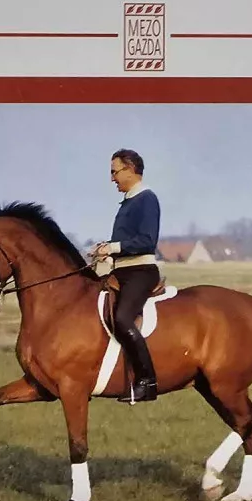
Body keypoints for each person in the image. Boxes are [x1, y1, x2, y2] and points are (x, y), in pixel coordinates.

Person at [90, 149, 160, 403]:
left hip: (141, 272)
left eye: (114, 172)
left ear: (130, 169)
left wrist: (113, 248)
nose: (112, 179)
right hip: (122, 271)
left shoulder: (146, 199)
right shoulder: (128, 201)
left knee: (122, 319)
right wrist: (105, 252)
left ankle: (147, 382)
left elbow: (147, 241)